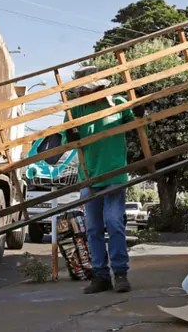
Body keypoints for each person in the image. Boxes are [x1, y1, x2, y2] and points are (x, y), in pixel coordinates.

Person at [64, 66, 145, 294]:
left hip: (115, 174)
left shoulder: (116, 103)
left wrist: (139, 113)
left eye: (86, 89)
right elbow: (65, 138)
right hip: (89, 177)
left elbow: (137, 122)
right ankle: (100, 276)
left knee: (114, 223)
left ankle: (120, 273)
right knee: (93, 228)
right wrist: (69, 137)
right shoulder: (75, 111)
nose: (82, 93)